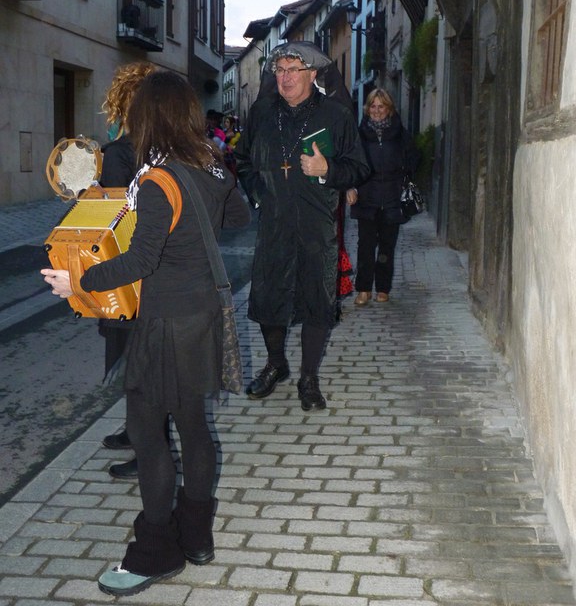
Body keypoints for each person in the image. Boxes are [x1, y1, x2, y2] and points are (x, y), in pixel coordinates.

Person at [41, 71, 251, 597]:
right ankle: (197, 537)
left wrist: (78, 281)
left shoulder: (158, 179)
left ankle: (156, 551)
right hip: (204, 315)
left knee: (146, 432)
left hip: (166, 324)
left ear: (148, 118)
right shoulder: (211, 165)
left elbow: (140, 260)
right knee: (194, 427)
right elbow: (238, 217)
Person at [234, 41, 370, 411]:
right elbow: (242, 159)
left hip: (317, 222)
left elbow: (359, 167)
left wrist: (329, 170)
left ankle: (309, 378)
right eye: (279, 70)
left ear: (311, 74)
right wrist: (259, 194)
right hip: (274, 222)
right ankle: (276, 364)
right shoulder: (262, 112)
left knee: (317, 299)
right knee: (269, 296)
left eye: (293, 70)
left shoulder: (336, 115)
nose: (285, 78)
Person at [99, 60, 157, 480]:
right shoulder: (171, 149)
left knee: (137, 364)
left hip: (129, 270)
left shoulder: (119, 152)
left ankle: (147, 448)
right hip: (163, 269)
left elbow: (112, 219)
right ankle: (135, 430)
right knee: (147, 361)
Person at [346, 87, 419, 306]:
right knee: (365, 246)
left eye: (381, 106)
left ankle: (383, 288)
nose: (377, 110)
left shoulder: (400, 134)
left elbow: (414, 158)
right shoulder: (359, 135)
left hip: (392, 197)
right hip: (366, 196)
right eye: (373, 106)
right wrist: (351, 187)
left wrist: (405, 177)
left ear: (389, 109)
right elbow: (350, 163)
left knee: (387, 246)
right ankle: (363, 289)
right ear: (367, 109)